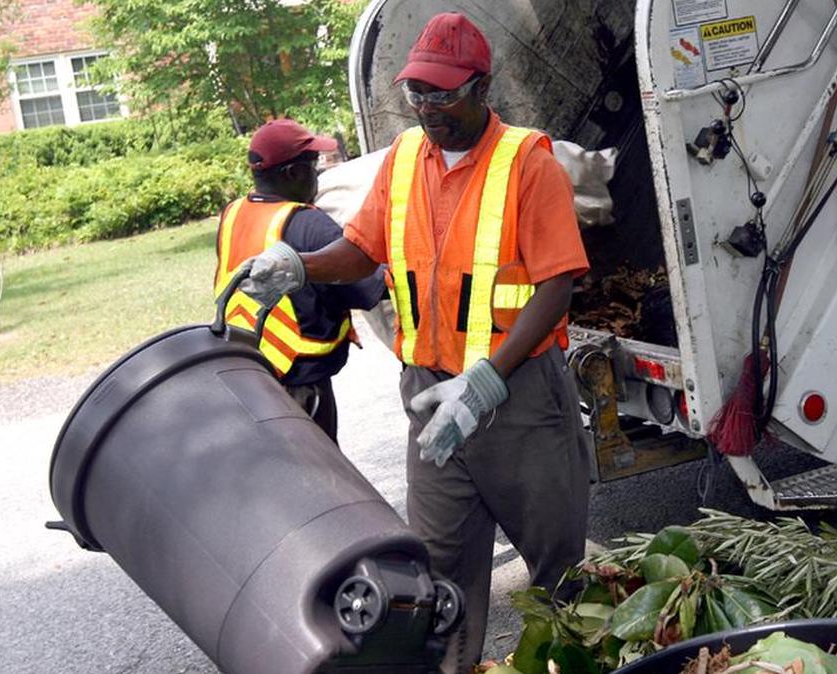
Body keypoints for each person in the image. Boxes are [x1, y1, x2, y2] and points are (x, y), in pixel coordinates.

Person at [237, 12, 591, 672]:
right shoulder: (403, 161)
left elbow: (555, 288)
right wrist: (300, 265)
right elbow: (361, 248)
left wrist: (485, 383)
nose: (428, 108)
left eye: (444, 93)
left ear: (483, 87)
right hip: (431, 398)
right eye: (417, 93)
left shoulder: (528, 166)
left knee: (559, 573)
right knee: (438, 578)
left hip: (517, 402)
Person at [214, 119, 386, 443]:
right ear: (292, 173)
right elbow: (367, 286)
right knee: (317, 478)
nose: (318, 173)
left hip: (250, 370)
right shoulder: (307, 223)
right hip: (301, 385)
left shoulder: (234, 213)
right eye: (313, 164)